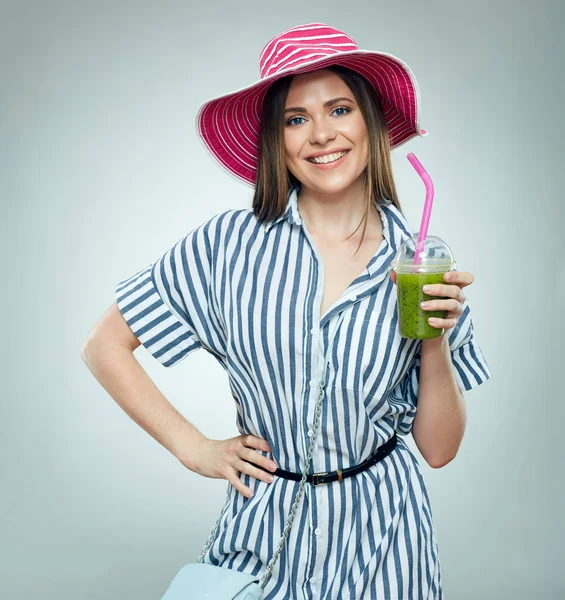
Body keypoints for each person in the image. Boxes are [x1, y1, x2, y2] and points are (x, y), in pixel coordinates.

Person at [82, 23, 492, 599]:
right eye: (296, 119)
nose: (321, 134)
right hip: (262, 534)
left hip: (382, 541)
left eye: (340, 109)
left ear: (370, 122)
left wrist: (434, 338)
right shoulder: (228, 246)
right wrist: (193, 447)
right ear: (278, 140)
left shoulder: (420, 261)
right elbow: (103, 346)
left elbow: (440, 450)